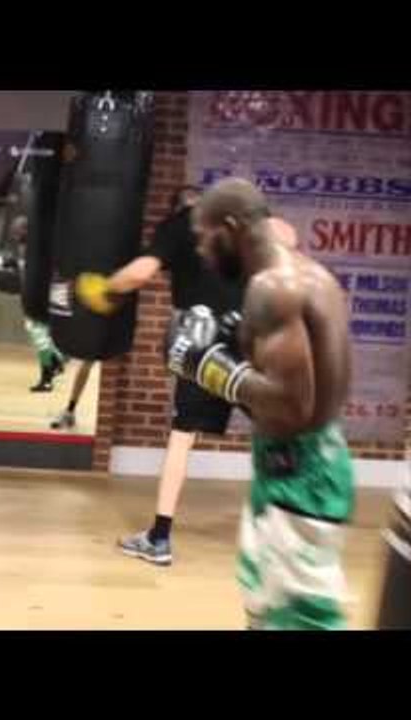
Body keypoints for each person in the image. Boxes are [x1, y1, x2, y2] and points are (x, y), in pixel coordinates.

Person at [170, 176, 354, 630]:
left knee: (302, 621)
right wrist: (237, 341)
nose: (200, 252)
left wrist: (210, 367)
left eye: (204, 237)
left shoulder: (273, 289)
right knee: (262, 605)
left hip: (299, 477)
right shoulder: (308, 275)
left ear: (230, 227)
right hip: (296, 467)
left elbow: (294, 407)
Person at [74, 185, 244, 563]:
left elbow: (141, 272)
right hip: (251, 331)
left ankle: (160, 538)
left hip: (204, 340)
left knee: (182, 436)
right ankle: (293, 537)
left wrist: (107, 287)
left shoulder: (181, 224)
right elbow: (285, 237)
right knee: (280, 430)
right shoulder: (237, 229)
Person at [10, 214, 66, 392]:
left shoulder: (38, 249)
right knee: (39, 336)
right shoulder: (21, 249)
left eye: (19, 229)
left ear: (28, 231)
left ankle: (49, 375)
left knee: (41, 338)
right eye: (14, 230)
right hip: (29, 297)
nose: (15, 233)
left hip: (40, 298)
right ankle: (54, 365)